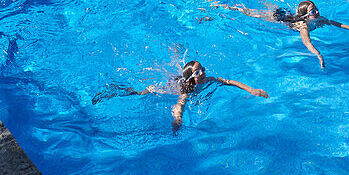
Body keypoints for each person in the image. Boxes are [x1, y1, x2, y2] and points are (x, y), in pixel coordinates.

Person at [93, 59, 268, 130]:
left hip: (182, 79)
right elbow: (180, 104)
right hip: (164, 88)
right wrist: (178, 119)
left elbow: (229, 81)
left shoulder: (208, 80)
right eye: (199, 72)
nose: (204, 73)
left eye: (203, 69)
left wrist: (252, 90)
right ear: (192, 78)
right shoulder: (187, 90)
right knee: (140, 94)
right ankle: (116, 91)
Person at [213, 0, 349, 69]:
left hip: (287, 14)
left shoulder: (320, 19)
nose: (316, 12)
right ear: (304, 15)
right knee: (251, 13)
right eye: (312, 11)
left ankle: (265, 3)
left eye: (315, 9)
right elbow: (307, 42)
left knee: (267, 7)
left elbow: (340, 25)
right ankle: (226, 6)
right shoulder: (303, 27)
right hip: (280, 20)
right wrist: (318, 55)